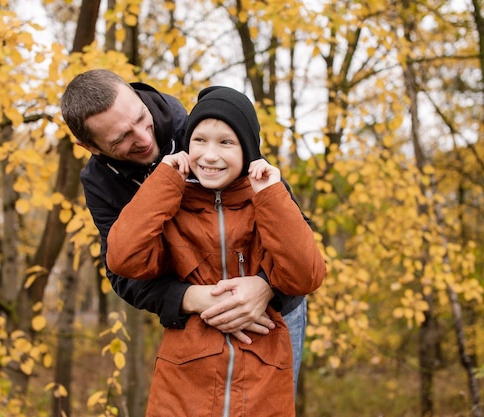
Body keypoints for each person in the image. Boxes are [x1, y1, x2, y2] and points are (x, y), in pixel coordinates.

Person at [60, 69, 310, 389]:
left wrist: (266, 287)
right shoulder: (100, 183)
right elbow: (121, 272)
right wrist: (191, 298)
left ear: (137, 95)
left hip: (272, 310)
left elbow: (293, 227)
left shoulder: (206, 128)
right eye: (121, 138)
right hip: (195, 320)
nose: (144, 138)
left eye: (140, 117)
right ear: (89, 147)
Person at [106, 86, 325, 416]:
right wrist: (165, 181)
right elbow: (123, 258)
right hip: (183, 377)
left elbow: (306, 274)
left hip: (263, 374)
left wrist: (271, 196)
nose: (210, 155)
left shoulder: (265, 202)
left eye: (226, 142)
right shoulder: (174, 206)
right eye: (200, 141)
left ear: (248, 150)